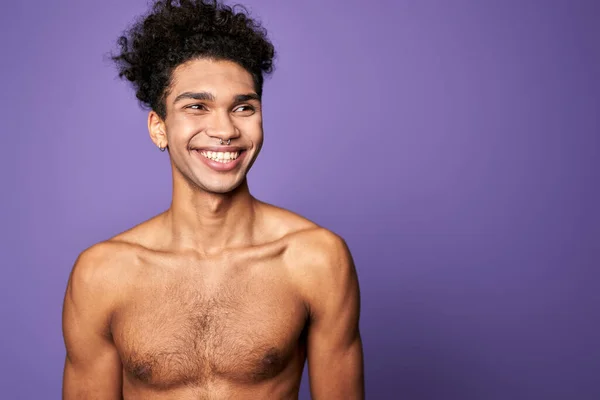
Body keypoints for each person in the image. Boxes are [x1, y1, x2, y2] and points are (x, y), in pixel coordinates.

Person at [61, 0, 364, 398]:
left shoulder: (315, 260)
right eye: (197, 107)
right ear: (159, 128)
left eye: (242, 107)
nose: (224, 130)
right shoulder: (102, 274)